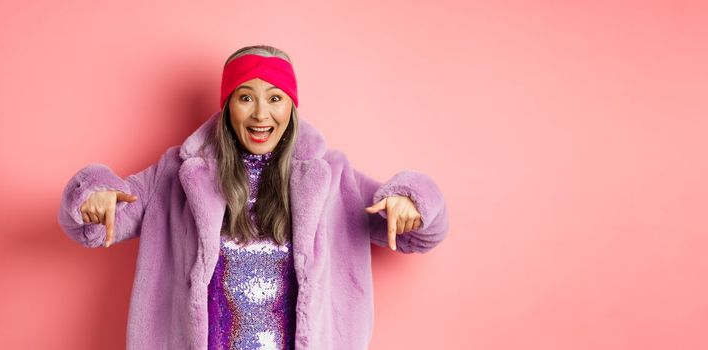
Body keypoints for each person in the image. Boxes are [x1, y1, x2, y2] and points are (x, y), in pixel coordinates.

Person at [57, 44, 449, 349]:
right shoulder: (177, 173)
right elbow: (102, 218)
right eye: (246, 97)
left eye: (275, 98)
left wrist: (411, 201)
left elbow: (420, 232)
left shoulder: (330, 175)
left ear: (291, 108)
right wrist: (94, 194)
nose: (261, 114)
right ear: (228, 106)